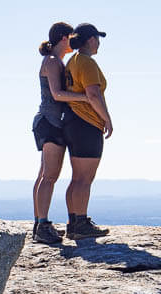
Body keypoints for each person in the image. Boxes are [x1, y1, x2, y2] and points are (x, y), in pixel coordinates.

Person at [31, 22, 90, 244]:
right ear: (64, 38)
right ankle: (42, 226)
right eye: (71, 38)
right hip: (51, 122)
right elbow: (57, 94)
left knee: (43, 175)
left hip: (45, 121)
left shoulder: (52, 61)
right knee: (50, 176)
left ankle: (39, 223)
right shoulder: (54, 62)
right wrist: (86, 98)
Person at [62, 22, 112, 239]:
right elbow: (93, 94)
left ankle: (74, 222)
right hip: (87, 123)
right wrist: (106, 119)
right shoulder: (87, 62)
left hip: (72, 122)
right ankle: (81, 224)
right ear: (91, 40)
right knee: (84, 179)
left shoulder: (72, 61)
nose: (99, 43)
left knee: (76, 178)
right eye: (97, 39)